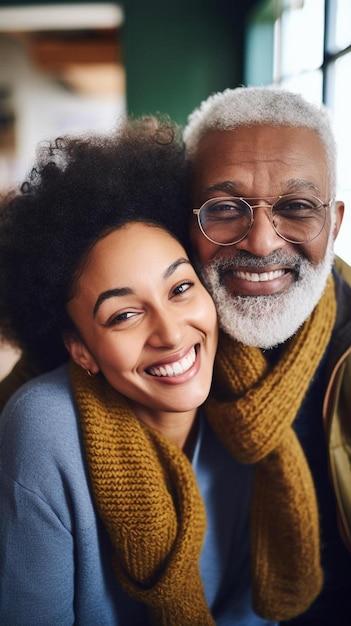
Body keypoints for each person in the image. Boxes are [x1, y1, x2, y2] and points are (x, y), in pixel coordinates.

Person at [0, 118, 276, 626]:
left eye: (180, 289)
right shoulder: (45, 428)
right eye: (124, 315)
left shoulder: (246, 413)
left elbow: (253, 610)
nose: (170, 333)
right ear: (81, 349)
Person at [183, 86, 351, 626]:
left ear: (337, 223)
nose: (259, 242)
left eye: (297, 207)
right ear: (185, 219)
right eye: (225, 208)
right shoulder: (130, 338)